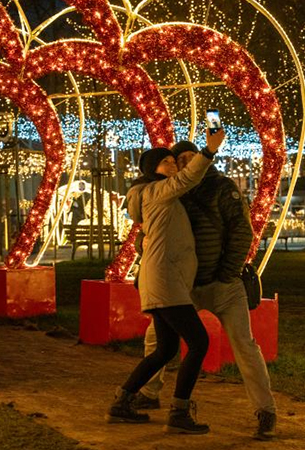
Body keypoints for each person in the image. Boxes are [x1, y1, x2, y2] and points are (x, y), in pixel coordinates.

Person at [130, 136, 278, 441]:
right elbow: (147, 231)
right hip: (186, 286)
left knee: (244, 345)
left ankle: (266, 411)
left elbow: (241, 231)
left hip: (223, 284)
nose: (182, 163)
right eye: (176, 159)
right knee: (156, 337)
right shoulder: (170, 190)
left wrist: (227, 271)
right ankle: (149, 391)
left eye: (187, 157)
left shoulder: (221, 187)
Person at [106, 129, 224, 434]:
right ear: (153, 170)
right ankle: (179, 412)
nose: (174, 165)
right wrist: (208, 151)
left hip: (162, 281)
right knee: (198, 342)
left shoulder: (156, 194)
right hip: (166, 281)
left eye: (174, 160)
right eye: (167, 162)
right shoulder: (158, 191)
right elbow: (187, 179)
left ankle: (121, 402)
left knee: (165, 350)